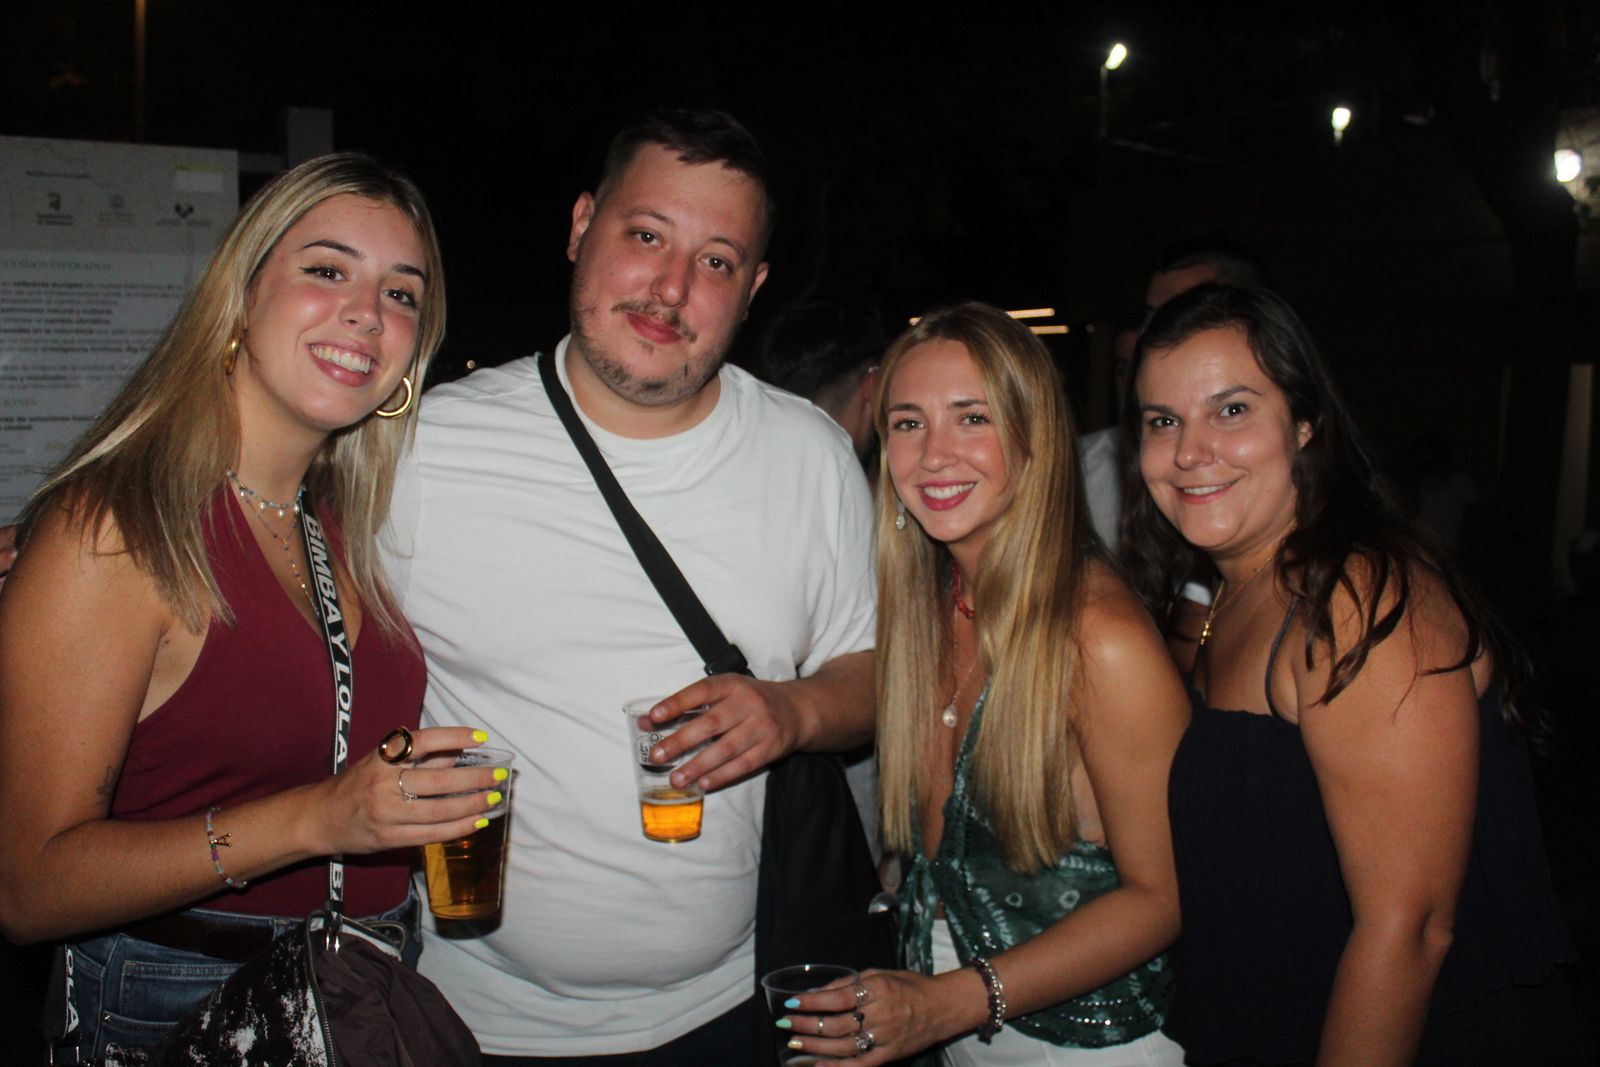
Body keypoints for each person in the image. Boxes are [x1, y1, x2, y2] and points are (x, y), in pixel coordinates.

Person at [381, 108, 876, 1062]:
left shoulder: (809, 455)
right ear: (579, 226)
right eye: (645, 235)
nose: (672, 288)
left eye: (718, 260)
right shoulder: (423, 446)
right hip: (469, 1017)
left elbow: (869, 670)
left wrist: (796, 710)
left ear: (754, 287)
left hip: (728, 1009)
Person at [0, 154, 501, 1064]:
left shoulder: (340, 521)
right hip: (180, 1000)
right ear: (239, 297)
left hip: (362, 979)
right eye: (326, 269)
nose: (365, 311)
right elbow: (28, 886)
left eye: (400, 293)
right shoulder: (115, 527)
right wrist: (320, 819)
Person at [1122, 283, 1593, 1066]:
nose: (1189, 451)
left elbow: (1408, 929)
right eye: (1162, 421)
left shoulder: (1357, 597)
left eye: (1231, 410)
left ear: (1304, 423)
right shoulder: (1234, 594)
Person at [777, 303, 1188, 1066]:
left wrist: (948, 1002)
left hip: (1092, 1046)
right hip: (957, 1032)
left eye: (972, 418)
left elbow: (1163, 897)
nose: (934, 455)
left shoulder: (1099, 638)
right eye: (907, 422)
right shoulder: (928, 607)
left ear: (1035, 437)